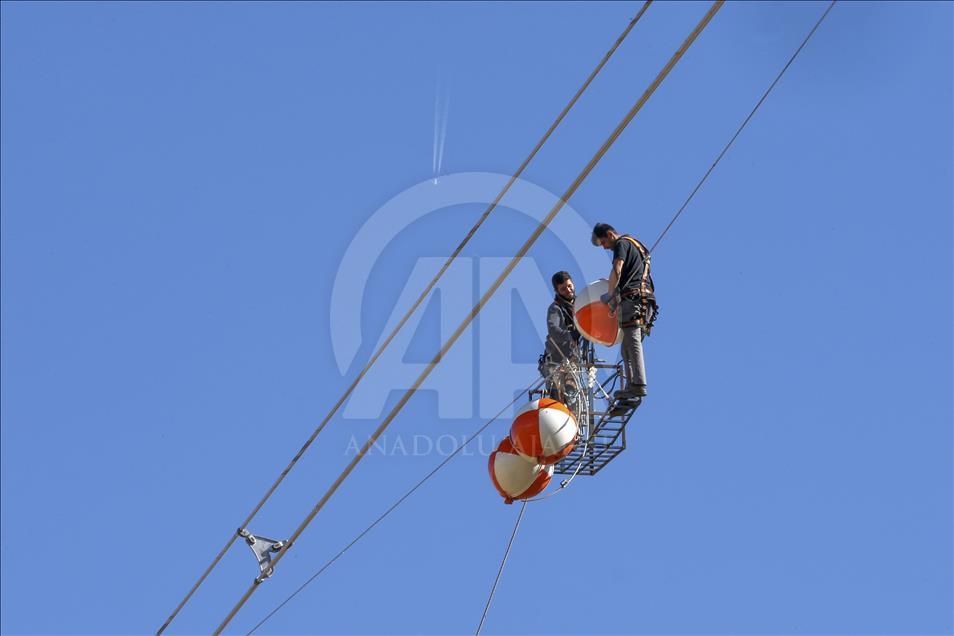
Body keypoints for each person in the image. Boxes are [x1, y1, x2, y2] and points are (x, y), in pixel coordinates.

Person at [591, 223, 657, 399]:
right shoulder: (636, 244)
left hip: (634, 300)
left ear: (610, 234)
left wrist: (610, 294)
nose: (604, 247)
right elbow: (632, 273)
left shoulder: (621, 243)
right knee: (626, 348)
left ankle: (638, 384)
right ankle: (631, 385)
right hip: (645, 301)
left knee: (632, 341)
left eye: (603, 242)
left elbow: (617, 268)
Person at [538, 271, 584, 391]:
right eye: (563, 289)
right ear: (557, 291)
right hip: (555, 360)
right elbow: (553, 330)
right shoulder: (555, 308)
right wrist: (571, 335)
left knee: (572, 390)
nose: (568, 290)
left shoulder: (581, 306)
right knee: (557, 391)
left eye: (569, 286)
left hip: (572, 359)